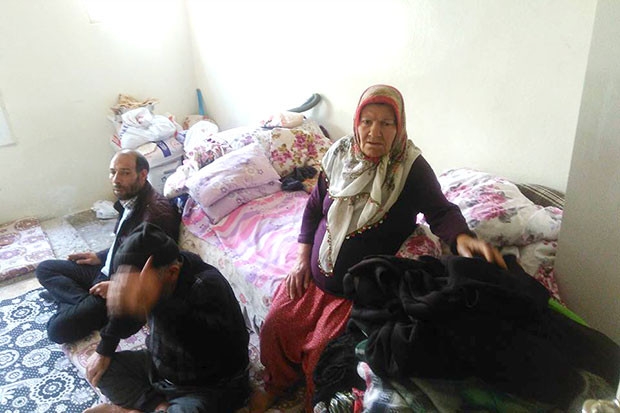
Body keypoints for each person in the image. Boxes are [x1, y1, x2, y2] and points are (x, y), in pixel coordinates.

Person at [250, 84, 507, 412]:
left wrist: (462, 238)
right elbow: (314, 208)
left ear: (399, 127)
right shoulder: (339, 155)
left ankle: (311, 401)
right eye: (367, 121)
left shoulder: (410, 168)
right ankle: (276, 384)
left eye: (387, 123)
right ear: (356, 122)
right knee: (276, 325)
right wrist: (302, 259)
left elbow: (441, 211)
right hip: (315, 280)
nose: (375, 131)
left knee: (325, 360)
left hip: (354, 293)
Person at [36, 149, 180, 385]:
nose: (116, 179)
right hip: (105, 270)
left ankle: (78, 304)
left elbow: (154, 269)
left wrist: (116, 287)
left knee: (56, 329)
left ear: (143, 174)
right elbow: (122, 243)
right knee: (45, 269)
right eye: (113, 172)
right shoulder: (131, 200)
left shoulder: (155, 216)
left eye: (124, 173)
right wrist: (99, 256)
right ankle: (81, 303)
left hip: (118, 286)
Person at [84, 222, 250, 413]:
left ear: (172, 272)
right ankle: (157, 406)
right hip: (161, 366)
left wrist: (149, 301)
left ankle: (137, 408)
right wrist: (105, 348)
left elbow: (210, 352)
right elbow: (128, 321)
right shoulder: (157, 278)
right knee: (103, 372)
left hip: (208, 385)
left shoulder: (206, 286)